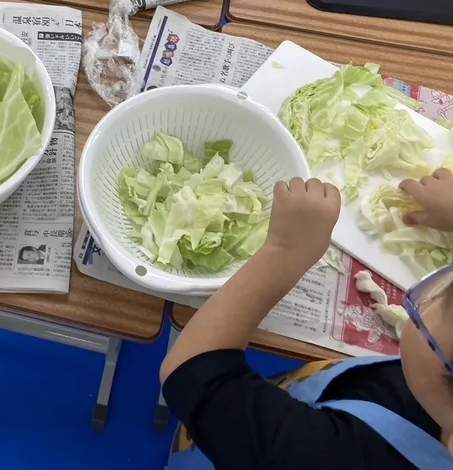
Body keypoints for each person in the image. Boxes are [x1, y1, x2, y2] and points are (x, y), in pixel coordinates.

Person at [160, 176, 453, 469]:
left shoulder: (329, 456)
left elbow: (194, 371)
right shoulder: (433, 394)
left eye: (444, 296)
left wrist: (285, 250)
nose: (430, 298)